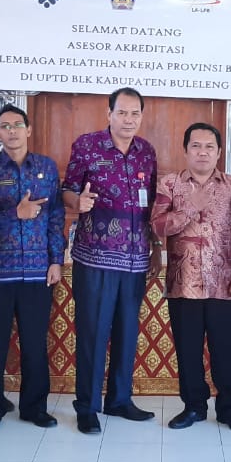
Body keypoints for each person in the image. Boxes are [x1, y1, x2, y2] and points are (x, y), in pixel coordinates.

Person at [62, 87, 160, 434]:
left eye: (135, 113)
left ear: (141, 116)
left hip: (135, 260)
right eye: (122, 112)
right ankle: (87, 406)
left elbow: (151, 204)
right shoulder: (87, 146)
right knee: (93, 333)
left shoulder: (146, 152)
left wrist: (155, 246)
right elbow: (67, 189)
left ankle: (119, 400)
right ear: (109, 114)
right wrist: (77, 202)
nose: (128, 120)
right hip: (95, 258)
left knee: (126, 332)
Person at [150, 122, 231, 433]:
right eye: (196, 146)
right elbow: (157, 226)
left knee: (226, 351)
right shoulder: (170, 185)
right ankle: (193, 406)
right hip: (183, 285)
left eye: (209, 147)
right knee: (188, 351)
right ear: (185, 150)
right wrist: (189, 209)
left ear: (219, 152)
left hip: (224, 285)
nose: (202, 152)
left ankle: (229, 410)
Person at [0, 104, 64, 431]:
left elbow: (55, 216)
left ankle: (35, 407)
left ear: (28, 130)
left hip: (38, 271)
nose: (12, 131)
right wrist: (16, 213)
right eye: (5, 126)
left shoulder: (46, 168)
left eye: (17, 125)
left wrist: (56, 259)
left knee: (35, 344)